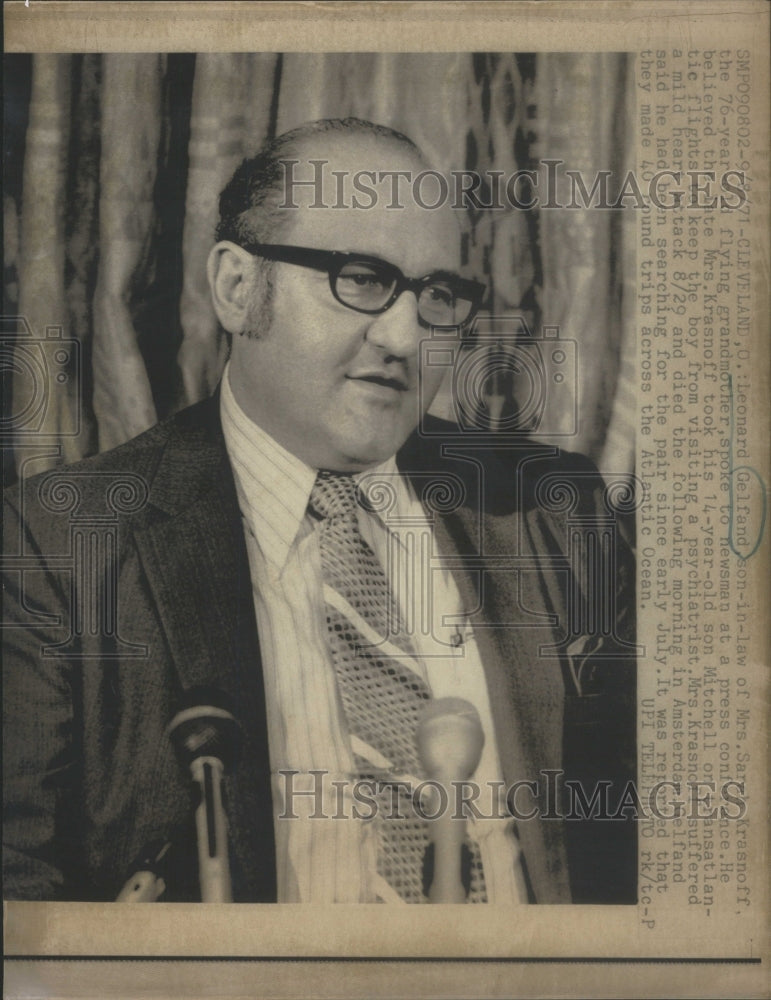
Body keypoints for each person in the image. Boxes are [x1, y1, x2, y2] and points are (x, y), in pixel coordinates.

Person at [3, 118, 636, 904]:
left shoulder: (551, 507)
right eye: (360, 278)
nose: (404, 336)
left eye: (437, 295)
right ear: (237, 288)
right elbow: (17, 899)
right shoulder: (56, 545)